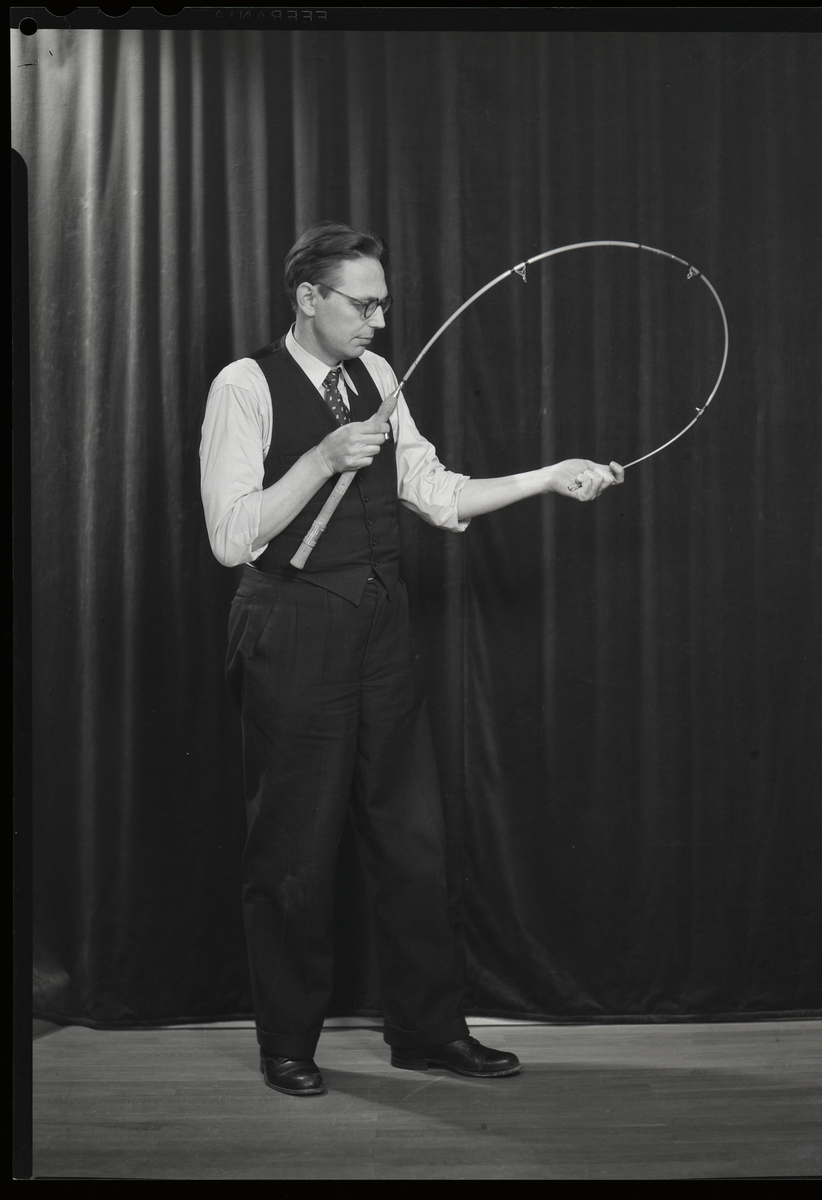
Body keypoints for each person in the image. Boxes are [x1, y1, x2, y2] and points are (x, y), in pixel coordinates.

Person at [200, 221, 624, 1097]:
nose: (379, 322)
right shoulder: (244, 385)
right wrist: (320, 459)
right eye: (363, 305)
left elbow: (432, 490)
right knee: (293, 853)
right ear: (308, 298)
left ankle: (429, 1034)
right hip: (291, 627)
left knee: (416, 842)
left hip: (383, 629)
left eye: (383, 305)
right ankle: (288, 1044)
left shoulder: (380, 378)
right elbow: (231, 537)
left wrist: (548, 477)